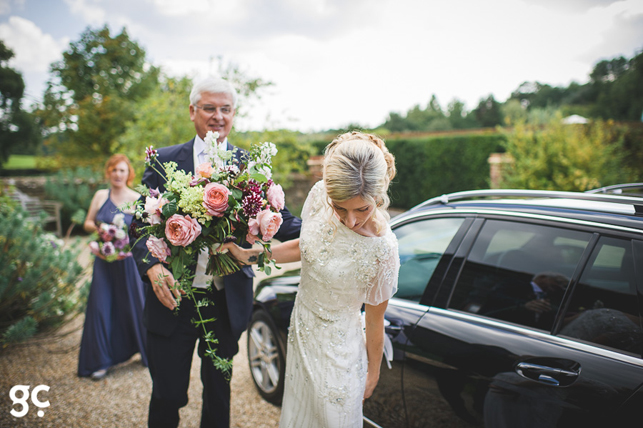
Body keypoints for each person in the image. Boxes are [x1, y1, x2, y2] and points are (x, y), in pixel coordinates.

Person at [130, 76, 301, 428]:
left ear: (234, 113)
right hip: (173, 298)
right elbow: (137, 223)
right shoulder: (164, 161)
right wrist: (151, 267)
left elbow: (279, 219)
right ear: (193, 111)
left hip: (225, 300)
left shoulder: (248, 164)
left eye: (225, 109)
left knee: (219, 392)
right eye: (209, 108)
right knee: (167, 393)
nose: (218, 116)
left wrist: (326, 226)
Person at [222, 131, 400, 428]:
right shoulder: (319, 195)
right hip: (302, 328)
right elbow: (307, 246)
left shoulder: (383, 251)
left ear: (379, 196)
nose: (351, 220)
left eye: (362, 209)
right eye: (340, 208)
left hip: (340, 352)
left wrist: (373, 374)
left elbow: (374, 320)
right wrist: (248, 255)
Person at [78, 153, 148, 380]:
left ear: (129, 174)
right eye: (114, 170)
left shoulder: (136, 197)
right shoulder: (100, 196)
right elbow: (88, 222)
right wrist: (99, 229)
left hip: (128, 263)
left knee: (135, 307)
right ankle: (99, 361)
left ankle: (146, 353)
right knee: (100, 307)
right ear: (108, 172)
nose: (117, 174)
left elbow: (144, 231)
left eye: (122, 170)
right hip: (104, 262)